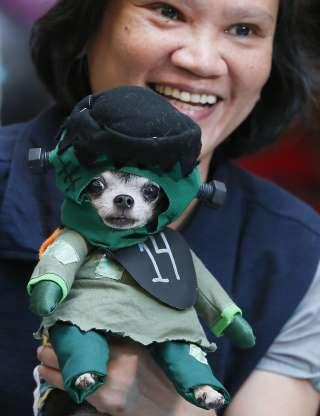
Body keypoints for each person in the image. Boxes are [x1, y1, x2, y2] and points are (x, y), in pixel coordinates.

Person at [0, 0, 319, 415]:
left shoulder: (297, 257)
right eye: (167, 12)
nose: (202, 61)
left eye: (243, 30)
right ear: (88, 27)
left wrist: (170, 408)